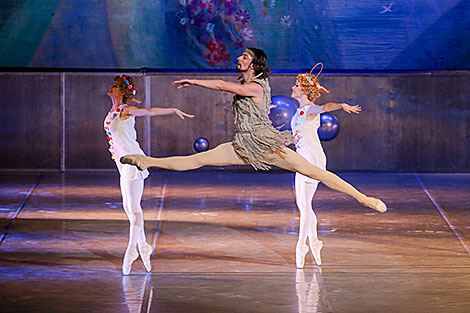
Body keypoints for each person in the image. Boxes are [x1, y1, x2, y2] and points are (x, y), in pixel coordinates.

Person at [120, 48, 386, 240]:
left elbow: (224, 86)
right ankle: (147, 160)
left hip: (267, 145)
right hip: (244, 144)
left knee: (317, 173)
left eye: (245, 57)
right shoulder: (251, 85)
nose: (239, 58)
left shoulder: (258, 86)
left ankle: (364, 199)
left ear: (255, 65)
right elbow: (234, 90)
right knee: (198, 159)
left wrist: (195, 81)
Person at [105, 75, 194, 275]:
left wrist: (172, 110)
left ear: (123, 91)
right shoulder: (112, 112)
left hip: (134, 161)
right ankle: (143, 245)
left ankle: (131, 250)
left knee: (133, 208)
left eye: (116, 85)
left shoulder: (125, 110)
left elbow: (149, 112)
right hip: (122, 163)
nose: (111, 87)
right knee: (129, 207)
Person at [290, 63, 362, 268]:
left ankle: (301, 245)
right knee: (305, 205)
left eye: (296, 85)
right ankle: (314, 241)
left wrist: (341, 105)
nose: (292, 88)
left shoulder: (309, 109)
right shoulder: (298, 113)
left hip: (308, 159)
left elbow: (326, 106)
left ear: (304, 90)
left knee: (303, 207)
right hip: (310, 157)